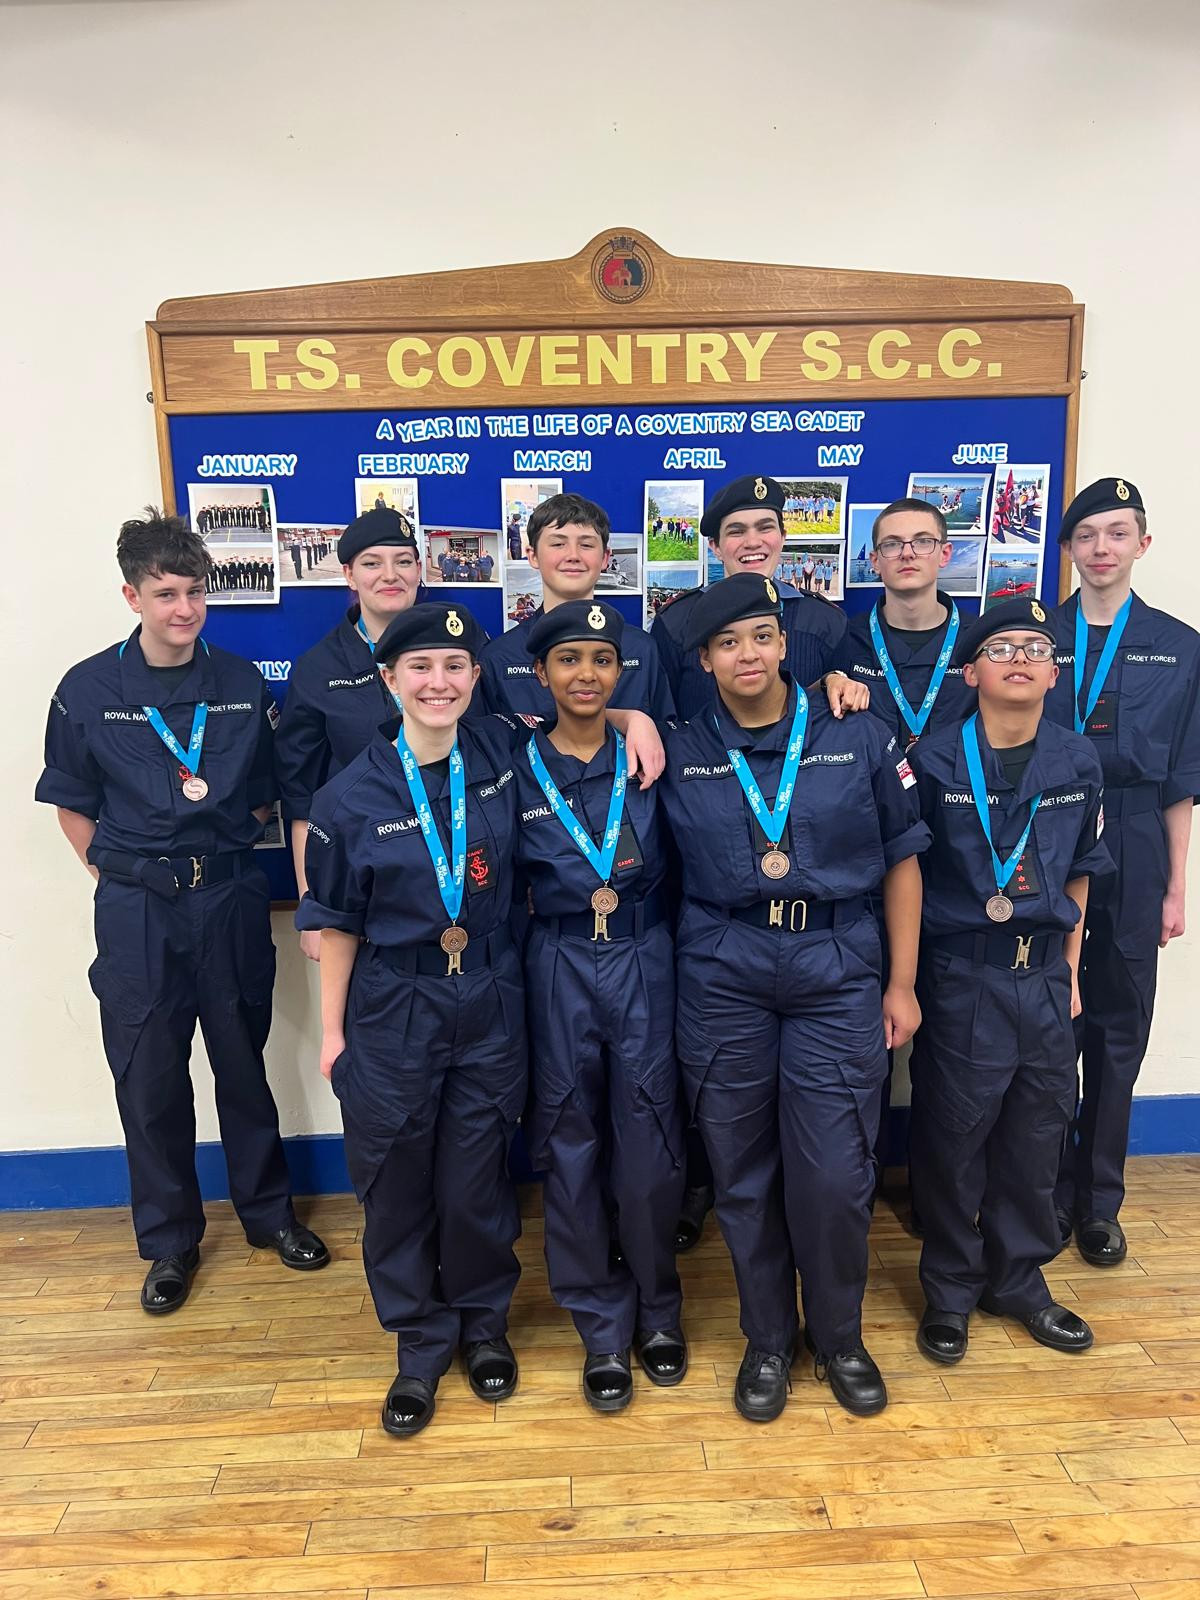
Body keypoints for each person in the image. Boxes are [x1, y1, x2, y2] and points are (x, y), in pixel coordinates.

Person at [35, 510, 328, 1316]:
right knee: (150, 1079)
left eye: (196, 592)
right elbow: (70, 802)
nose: (184, 610)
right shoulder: (86, 688)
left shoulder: (239, 683)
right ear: (131, 594)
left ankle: (270, 1219)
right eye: (166, 594)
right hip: (137, 909)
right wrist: (119, 874)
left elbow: (272, 794)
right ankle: (169, 1244)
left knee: (244, 1065)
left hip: (228, 896)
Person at [660, 574, 928, 1421]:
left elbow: (902, 860)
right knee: (742, 1173)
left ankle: (841, 1336)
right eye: (730, 642)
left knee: (837, 1171)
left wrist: (903, 982)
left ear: (785, 646)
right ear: (704, 660)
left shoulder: (860, 730)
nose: (750, 654)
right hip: (723, 970)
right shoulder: (673, 749)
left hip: (836, 964)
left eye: (764, 637)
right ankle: (769, 1339)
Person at [908, 597, 1111, 1363]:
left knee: (1036, 1135)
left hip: (1045, 981)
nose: (1020, 658)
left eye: (1035, 647)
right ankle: (951, 1290)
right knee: (954, 1141)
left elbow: (1083, 872)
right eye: (1001, 648)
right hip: (963, 977)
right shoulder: (931, 760)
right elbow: (909, 877)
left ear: (1056, 673)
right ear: (971, 671)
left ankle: (1020, 1282)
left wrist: (1072, 970)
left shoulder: (1077, 761)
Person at [516, 599, 686, 1410]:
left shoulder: (657, 755)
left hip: (645, 956)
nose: (586, 675)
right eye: (569, 661)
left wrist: (635, 717)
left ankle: (657, 1311)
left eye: (602, 661)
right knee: (570, 1142)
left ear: (621, 672)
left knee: (650, 1137)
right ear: (542, 674)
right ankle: (598, 1324)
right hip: (556, 960)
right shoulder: (508, 761)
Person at [1046, 479, 1200, 1266]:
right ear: (1067, 550)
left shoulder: (1181, 645)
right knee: (1045, 1023)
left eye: (1117, 533)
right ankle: (1040, 1191)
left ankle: (1098, 1200)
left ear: (1143, 544)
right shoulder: (1034, 636)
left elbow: (1182, 780)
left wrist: (1176, 886)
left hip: (1136, 843)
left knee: (1117, 1027)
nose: (1101, 549)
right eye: (1086, 535)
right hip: (1043, 839)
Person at [275, 508, 425, 962]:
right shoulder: (318, 668)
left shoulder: (458, 647)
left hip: (458, 874)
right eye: (372, 563)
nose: (390, 575)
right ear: (349, 575)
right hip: (360, 883)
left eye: (403, 560)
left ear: (419, 569)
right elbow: (302, 797)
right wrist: (311, 904)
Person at [651, 475, 851, 721]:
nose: (753, 542)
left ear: (783, 536)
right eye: (737, 531)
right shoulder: (675, 622)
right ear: (715, 546)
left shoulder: (825, 620)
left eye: (765, 527)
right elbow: (662, 721)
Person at [478, 493, 675, 724]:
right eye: (558, 544)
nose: (573, 556)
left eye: (586, 545)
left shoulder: (642, 649)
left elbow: (665, 734)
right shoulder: (498, 658)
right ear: (532, 556)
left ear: (605, 557)